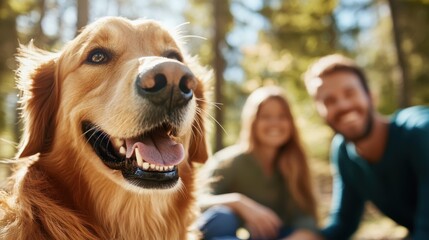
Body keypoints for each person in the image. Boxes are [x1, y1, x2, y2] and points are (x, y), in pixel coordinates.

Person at [300, 54, 429, 239]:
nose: (343, 105)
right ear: (320, 111)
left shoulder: (421, 131)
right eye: (329, 101)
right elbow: (343, 223)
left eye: (350, 93)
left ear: (371, 95)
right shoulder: (344, 153)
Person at [197, 86, 319, 240]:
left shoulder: (295, 163)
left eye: (282, 116)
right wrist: (237, 202)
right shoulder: (228, 161)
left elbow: (306, 219)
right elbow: (195, 202)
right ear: (252, 121)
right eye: (266, 116)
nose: (274, 123)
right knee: (222, 218)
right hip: (227, 234)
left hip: (281, 236)